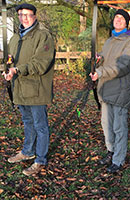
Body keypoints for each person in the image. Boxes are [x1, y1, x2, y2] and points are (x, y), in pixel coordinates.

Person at [2, 3, 55, 176]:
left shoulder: (43, 36)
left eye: (28, 14)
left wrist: (18, 70)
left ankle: (40, 159)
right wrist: (9, 70)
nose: (24, 18)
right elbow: (11, 60)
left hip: (37, 89)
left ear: (34, 16)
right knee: (27, 122)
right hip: (20, 88)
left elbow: (41, 63)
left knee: (41, 125)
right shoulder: (15, 38)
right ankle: (27, 151)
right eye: (21, 14)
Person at [90, 9, 130, 173]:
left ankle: (118, 159)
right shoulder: (110, 40)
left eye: (121, 18)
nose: (118, 20)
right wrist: (99, 60)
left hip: (120, 90)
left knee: (119, 127)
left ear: (126, 22)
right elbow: (105, 59)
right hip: (105, 89)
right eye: (116, 17)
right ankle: (111, 151)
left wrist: (102, 72)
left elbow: (124, 65)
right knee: (106, 125)